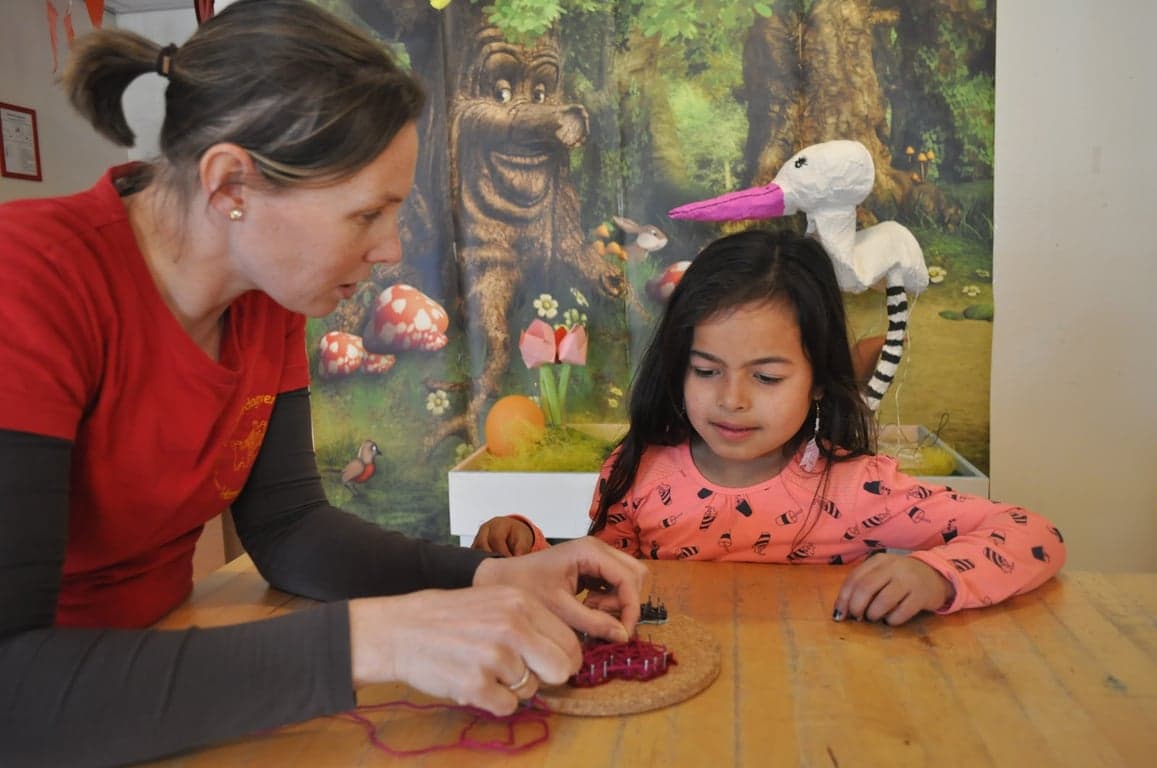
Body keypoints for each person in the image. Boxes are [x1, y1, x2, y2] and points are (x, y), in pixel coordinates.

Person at [0, 1, 646, 765]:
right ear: (232, 182)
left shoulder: (265, 297)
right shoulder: (28, 284)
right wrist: (374, 640)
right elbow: (16, 690)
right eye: (366, 214)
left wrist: (491, 575)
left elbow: (291, 529)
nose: (390, 249)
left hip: (164, 672)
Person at [474, 229, 1065, 623]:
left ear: (818, 378)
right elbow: (595, 583)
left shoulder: (860, 488)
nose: (731, 400)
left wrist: (935, 576)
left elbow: (1033, 533)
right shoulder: (639, 473)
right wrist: (527, 543)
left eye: (767, 377)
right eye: (706, 370)